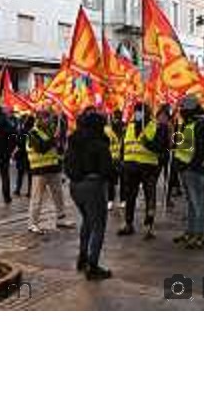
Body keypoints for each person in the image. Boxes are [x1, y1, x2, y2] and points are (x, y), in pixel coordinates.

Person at [64, 108, 114, 280]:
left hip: (75, 187)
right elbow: (107, 169)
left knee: (87, 221)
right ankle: (92, 266)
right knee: (98, 225)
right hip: (93, 186)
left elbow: (67, 165)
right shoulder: (99, 143)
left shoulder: (73, 141)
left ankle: (82, 258)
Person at [173, 96, 204, 249]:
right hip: (186, 168)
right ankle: (190, 232)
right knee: (191, 202)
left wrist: (200, 164)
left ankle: (199, 235)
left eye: (183, 109)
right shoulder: (189, 122)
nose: (181, 112)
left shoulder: (203, 124)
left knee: (197, 203)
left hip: (195, 169)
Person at [118, 102, 164, 240]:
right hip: (130, 167)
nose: (137, 114)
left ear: (147, 113)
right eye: (136, 111)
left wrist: (147, 143)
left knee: (150, 196)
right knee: (130, 196)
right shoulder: (129, 127)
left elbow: (161, 148)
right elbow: (123, 145)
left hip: (148, 167)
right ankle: (128, 223)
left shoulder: (156, 126)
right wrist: (122, 162)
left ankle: (149, 226)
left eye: (140, 111)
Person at [26, 108, 67, 234]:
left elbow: (56, 149)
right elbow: (41, 148)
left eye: (48, 118)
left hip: (53, 168)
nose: (48, 120)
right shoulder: (33, 133)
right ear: (39, 119)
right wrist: (54, 139)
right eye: (45, 118)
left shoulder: (50, 130)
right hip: (39, 171)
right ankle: (33, 223)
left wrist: (60, 146)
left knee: (58, 195)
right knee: (37, 198)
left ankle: (61, 218)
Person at [104, 110, 124, 211]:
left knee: (123, 181)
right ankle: (110, 200)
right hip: (110, 159)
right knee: (111, 182)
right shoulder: (107, 130)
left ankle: (123, 200)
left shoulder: (125, 128)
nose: (117, 119)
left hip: (122, 159)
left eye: (118, 116)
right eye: (115, 116)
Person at [13, 114, 32, 197]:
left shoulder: (22, 131)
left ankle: (18, 189)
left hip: (21, 154)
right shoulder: (34, 131)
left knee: (20, 173)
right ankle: (30, 191)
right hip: (30, 155)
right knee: (30, 174)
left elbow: (17, 142)